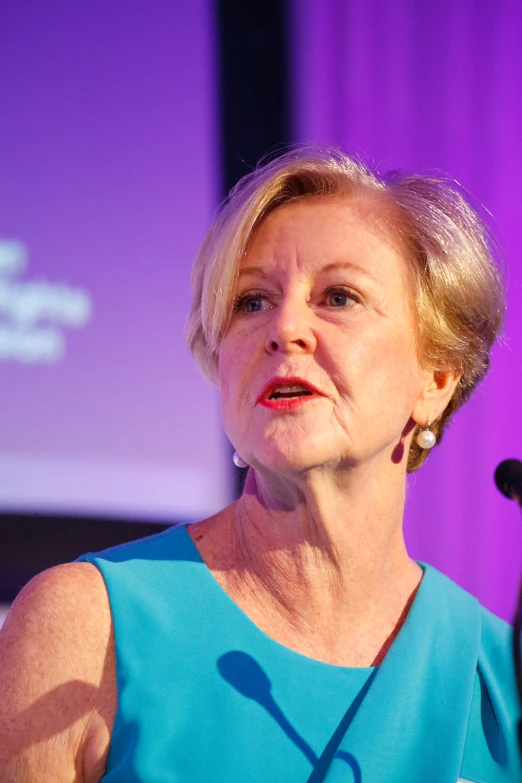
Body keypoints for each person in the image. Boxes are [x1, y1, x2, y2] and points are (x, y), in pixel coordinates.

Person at [0, 146, 519, 782]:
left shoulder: (500, 678)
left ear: (436, 376)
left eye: (338, 296)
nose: (285, 328)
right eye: (252, 302)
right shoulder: (84, 628)